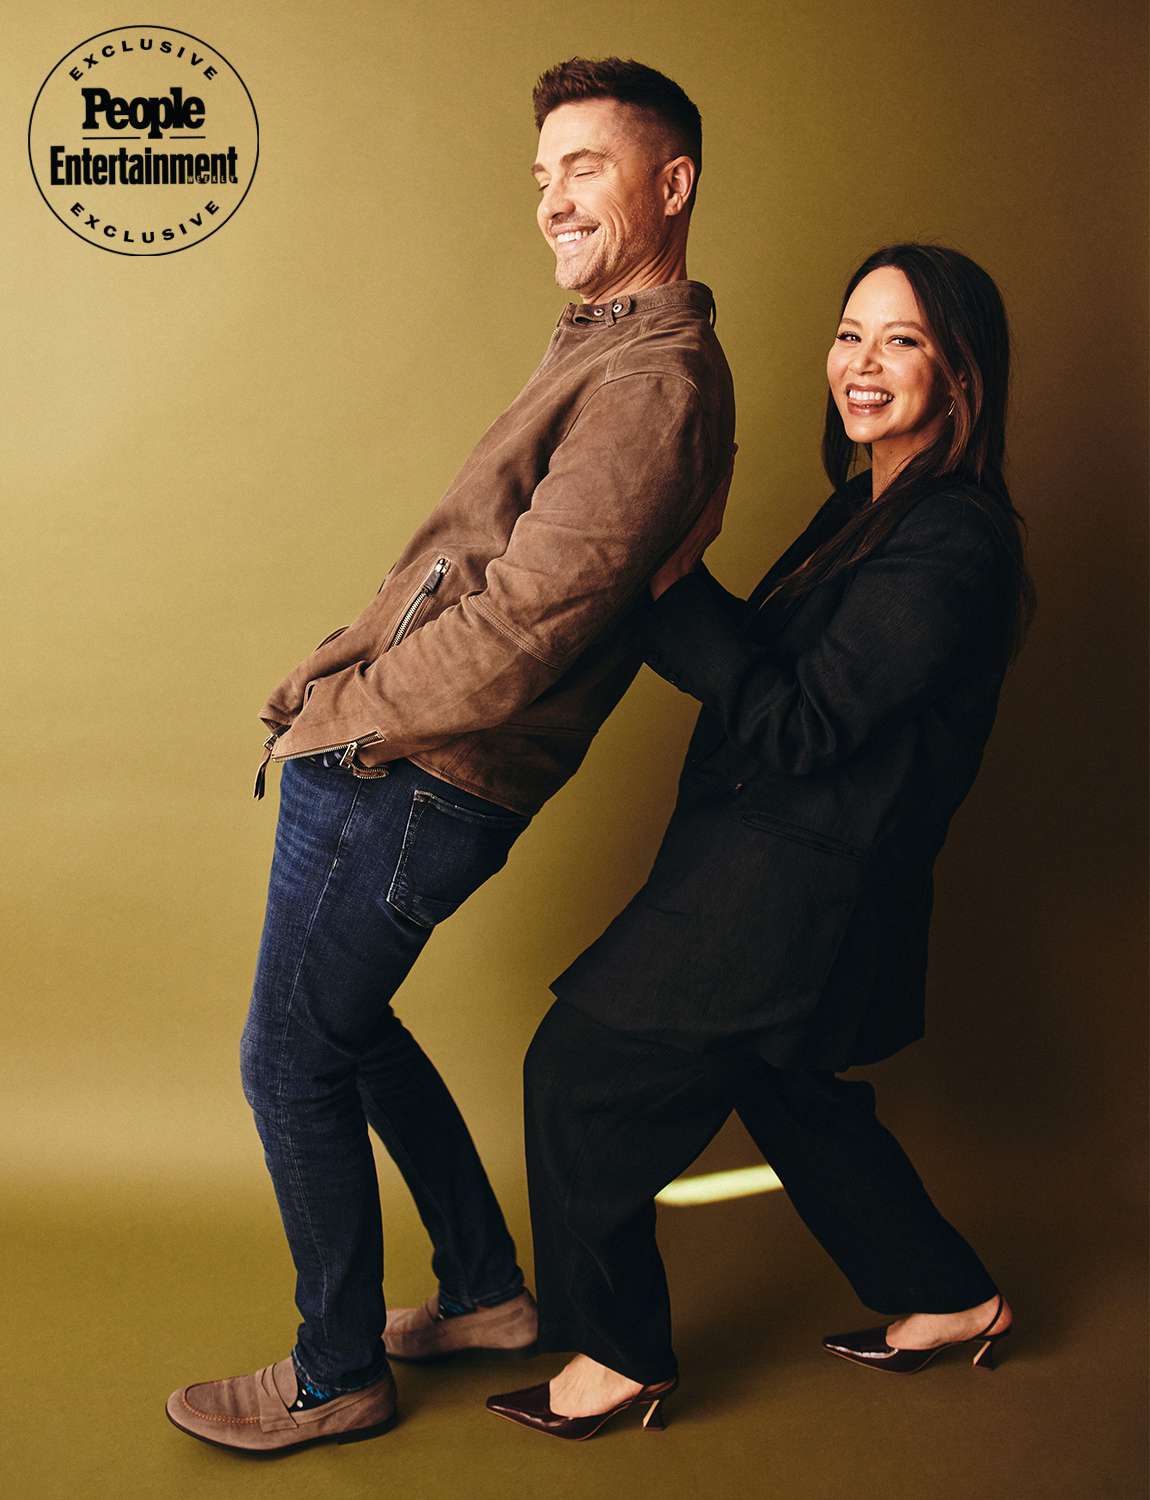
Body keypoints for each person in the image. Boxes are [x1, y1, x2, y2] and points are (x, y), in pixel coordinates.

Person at [165, 56, 735, 1455]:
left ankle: (332, 1372)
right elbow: (460, 561)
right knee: (346, 1032)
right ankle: (482, 1290)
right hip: (399, 753)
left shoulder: (653, 379)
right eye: (542, 174)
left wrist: (343, 718)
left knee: (289, 1058)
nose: (550, 200)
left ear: (671, 185)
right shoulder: (601, 337)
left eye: (583, 168)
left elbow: (521, 634)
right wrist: (337, 654)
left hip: (418, 778)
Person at [487, 243, 1035, 1441]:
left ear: (959, 370)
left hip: (794, 885)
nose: (862, 364)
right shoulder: (871, 507)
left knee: (575, 1078)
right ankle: (947, 1298)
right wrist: (672, 584)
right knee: (794, 1096)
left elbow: (798, 722)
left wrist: (663, 587)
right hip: (784, 863)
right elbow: (786, 672)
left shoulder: (952, 541)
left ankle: (620, 1357)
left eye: (901, 340)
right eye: (850, 334)